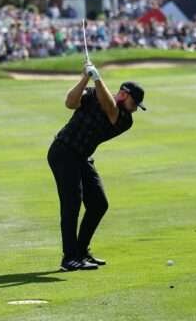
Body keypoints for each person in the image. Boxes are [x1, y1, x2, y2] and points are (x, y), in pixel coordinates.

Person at [47, 62, 146, 271]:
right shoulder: (92, 94)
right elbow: (70, 103)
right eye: (134, 102)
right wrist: (85, 77)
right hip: (63, 152)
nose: (136, 108)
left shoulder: (125, 119)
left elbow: (110, 108)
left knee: (99, 203)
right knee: (71, 204)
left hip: (81, 157)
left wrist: (97, 78)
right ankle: (70, 257)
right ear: (124, 94)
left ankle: (81, 252)